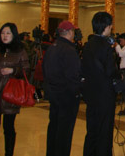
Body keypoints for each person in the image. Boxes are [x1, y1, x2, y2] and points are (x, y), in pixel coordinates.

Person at [0, 22, 30, 156]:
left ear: (13, 35)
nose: (5, 36)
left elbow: (27, 71)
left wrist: (13, 70)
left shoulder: (20, 51)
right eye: (3, 33)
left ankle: (9, 153)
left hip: (11, 93)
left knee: (9, 127)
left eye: (8, 33)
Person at [82, 12, 118, 156]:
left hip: (91, 93)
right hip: (105, 94)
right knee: (105, 130)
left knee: (92, 129)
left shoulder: (88, 44)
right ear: (106, 27)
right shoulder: (105, 46)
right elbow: (110, 71)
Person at [43, 21, 82, 156]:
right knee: (64, 132)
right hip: (67, 97)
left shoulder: (52, 48)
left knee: (54, 127)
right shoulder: (69, 50)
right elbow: (73, 76)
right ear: (70, 32)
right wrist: (77, 92)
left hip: (54, 95)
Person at [115, 33, 125, 115]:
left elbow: (121, 54)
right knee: (124, 90)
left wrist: (117, 45)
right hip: (124, 70)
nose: (120, 43)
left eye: (121, 41)